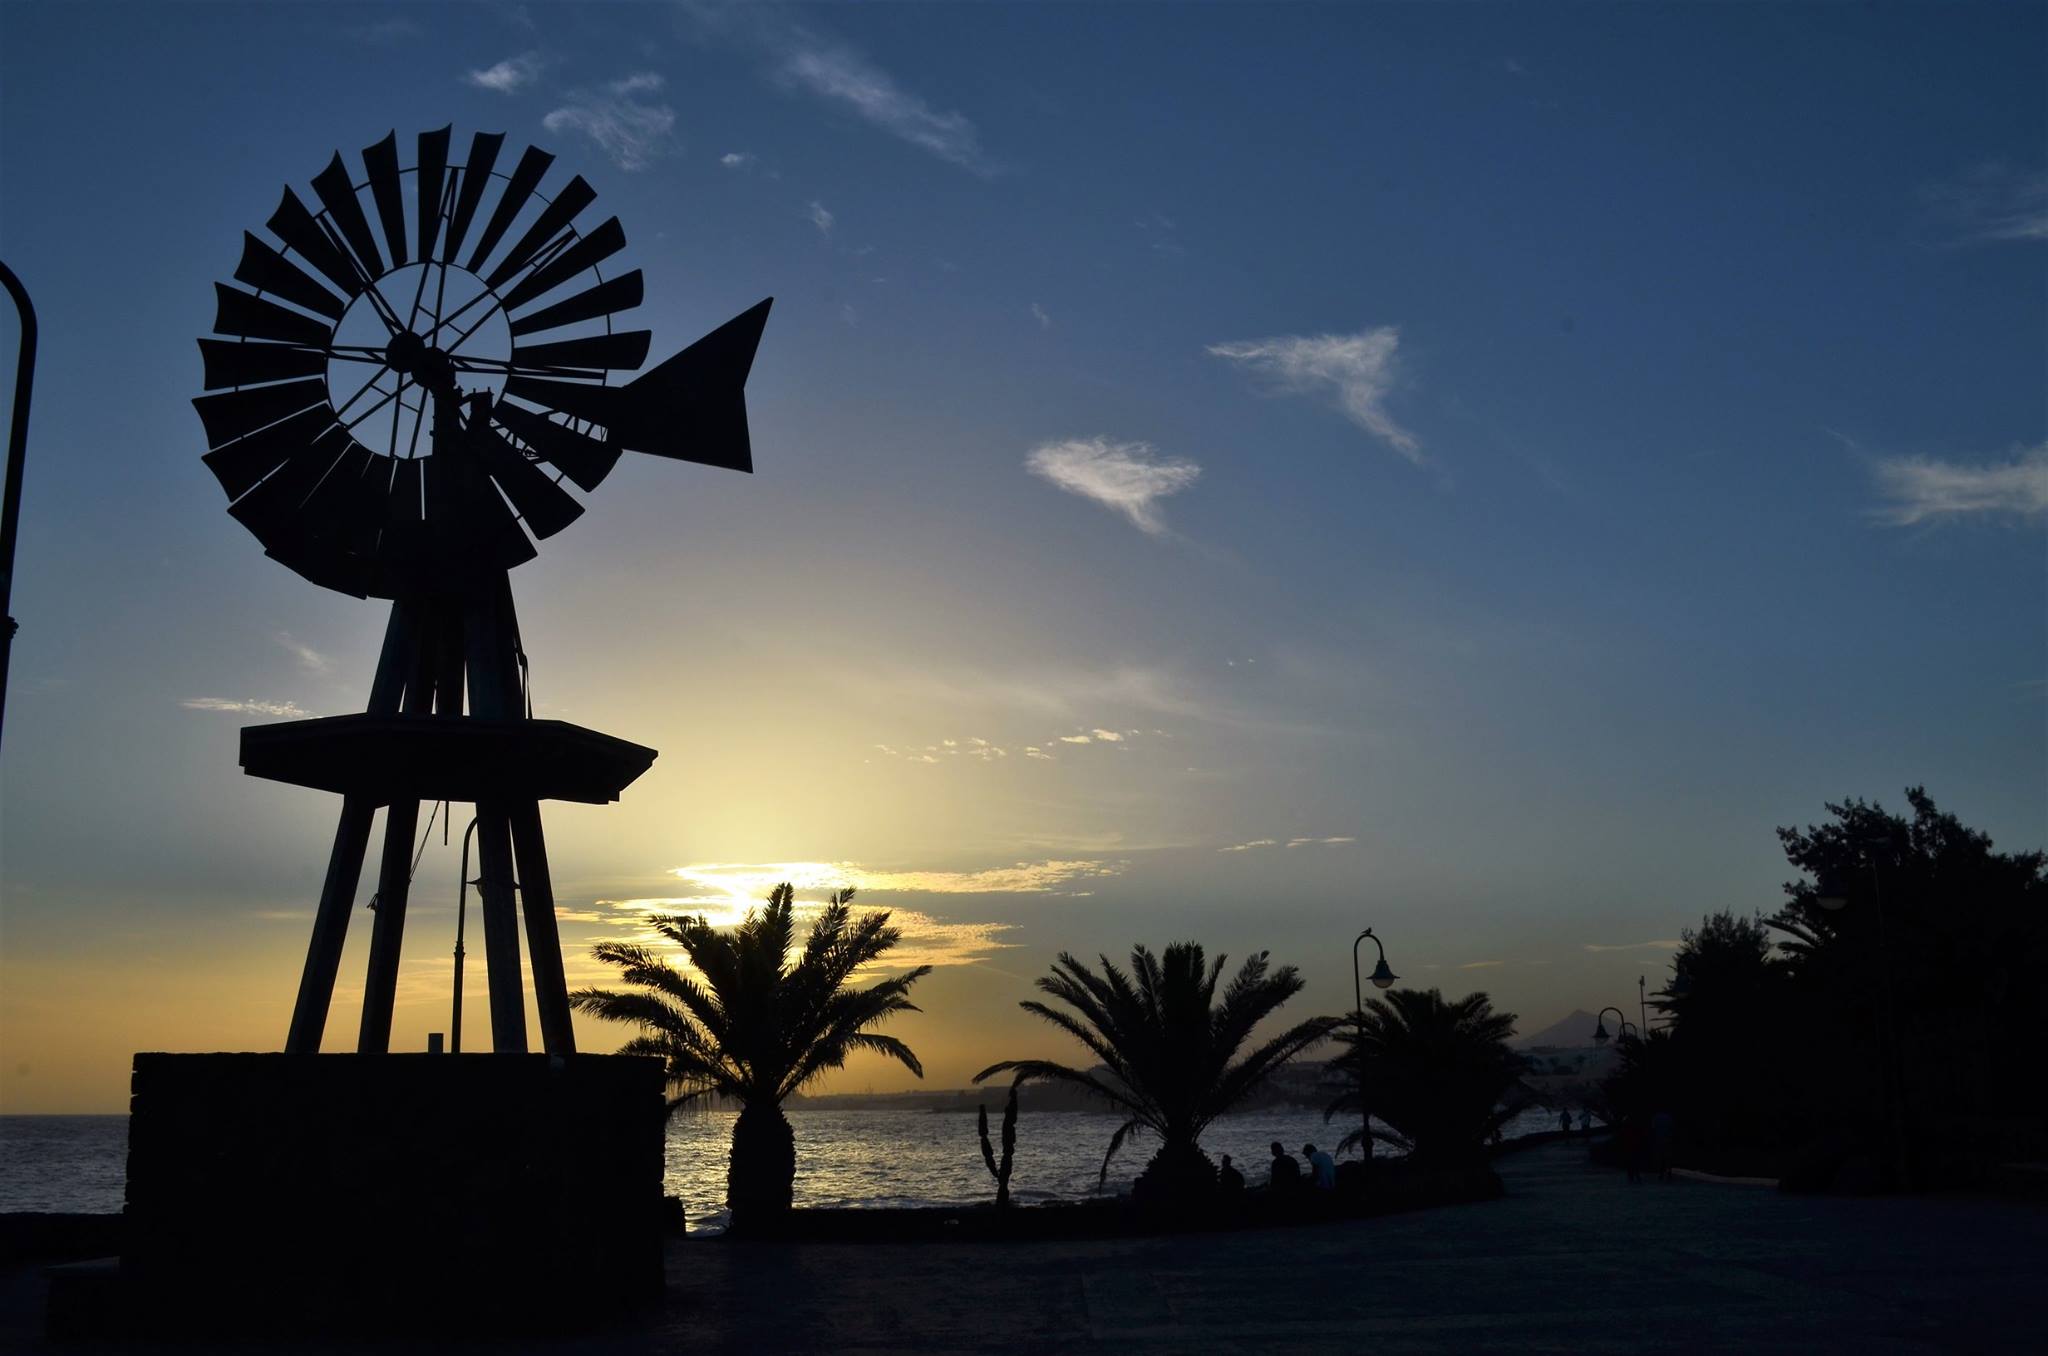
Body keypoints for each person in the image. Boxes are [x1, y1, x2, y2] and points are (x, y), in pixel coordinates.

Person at [1650, 1109, 1675, 1181]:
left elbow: (1653, 1127)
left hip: (1659, 1138)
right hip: (1667, 1139)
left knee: (1660, 1156)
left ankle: (1661, 1172)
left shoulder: (1656, 1117)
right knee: (1668, 1156)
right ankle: (1668, 1172)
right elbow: (1671, 1127)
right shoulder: (1668, 1117)